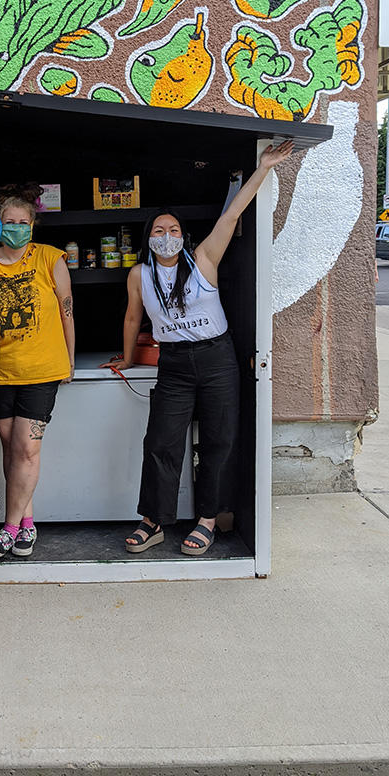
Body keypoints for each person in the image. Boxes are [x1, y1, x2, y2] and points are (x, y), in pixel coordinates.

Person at [108, 141, 294, 556]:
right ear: (148, 238)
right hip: (173, 363)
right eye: (158, 231)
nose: (166, 236)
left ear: (183, 236)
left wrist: (263, 168)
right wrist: (127, 356)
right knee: (161, 442)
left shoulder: (203, 259)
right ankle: (153, 519)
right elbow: (132, 319)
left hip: (216, 359)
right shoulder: (139, 274)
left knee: (219, 441)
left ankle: (208, 519)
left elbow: (231, 215)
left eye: (173, 230)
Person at [0, 183, 75, 561]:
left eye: (22, 222)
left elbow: (67, 311)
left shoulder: (50, 259)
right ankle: (28, 523)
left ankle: (9, 528)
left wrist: (70, 361)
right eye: (9, 221)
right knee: (13, 450)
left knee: (27, 449)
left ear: (33, 225)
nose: (15, 227)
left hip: (42, 371)